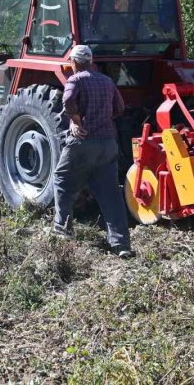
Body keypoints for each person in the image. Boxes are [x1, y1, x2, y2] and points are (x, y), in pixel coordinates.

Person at [52, 45, 134, 258]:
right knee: (110, 194)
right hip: (107, 143)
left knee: (62, 179)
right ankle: (121, 244)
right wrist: (104, 119)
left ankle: (63, 229)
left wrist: (76, 120)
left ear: (74, 63)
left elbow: (68, 99)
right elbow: (120, 108)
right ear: (90, 61)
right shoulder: (107, 81)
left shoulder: (75, 80)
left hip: (83, 141)